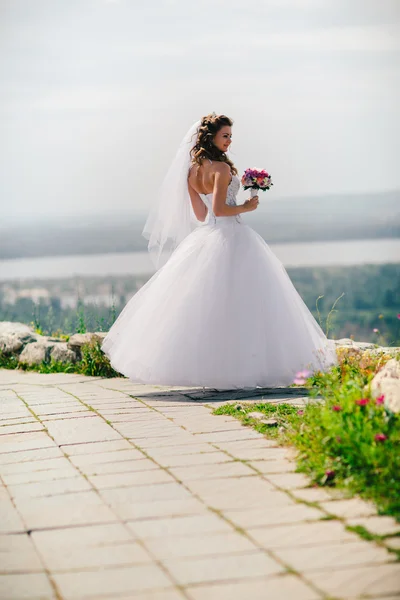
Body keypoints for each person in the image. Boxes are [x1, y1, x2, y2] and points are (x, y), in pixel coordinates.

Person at [101, 113, 338, 390]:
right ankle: (244, 368)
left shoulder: (191, 172)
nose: (229, 140)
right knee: (245, 303)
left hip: (206, 237)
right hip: (231, 235)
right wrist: (245, 208)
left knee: (211, 306)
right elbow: (219, 210)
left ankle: (217, 371)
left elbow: (201, 215)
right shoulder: (222, 170)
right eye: (225, 135)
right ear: (211, 137)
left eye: (230, 136)